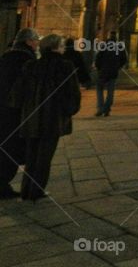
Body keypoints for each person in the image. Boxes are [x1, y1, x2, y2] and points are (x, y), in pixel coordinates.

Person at [11, 34, 81, 201]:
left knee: (31, 156)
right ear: (56, 47)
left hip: (30, 118)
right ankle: (36, 191)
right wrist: (68, 111)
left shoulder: (31, 65)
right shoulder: (65, 66)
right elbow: (72, 94)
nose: (64, 48)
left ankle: (26, 190)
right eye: (62, 45)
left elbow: (17, 94)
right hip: (52, 119)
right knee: (44, 157)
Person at [0, 28, 38, 199]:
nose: (37, 44)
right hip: (16, 113)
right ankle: (3, 185)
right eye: (35, 40)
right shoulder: (27, 60)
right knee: (12, 149)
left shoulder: (5, 57)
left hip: (3, 110)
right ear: (28, 41)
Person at [94, 32, 127, 116]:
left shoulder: (104, 45)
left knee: (99, 89)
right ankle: (107, 109)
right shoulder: (120, 46)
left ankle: (100, 108)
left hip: (103, 72)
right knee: (110, 91)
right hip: (113, 72)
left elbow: (98, 58)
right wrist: (118, 66)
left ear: (108, 36)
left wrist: (99, 68)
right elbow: (124, 59)